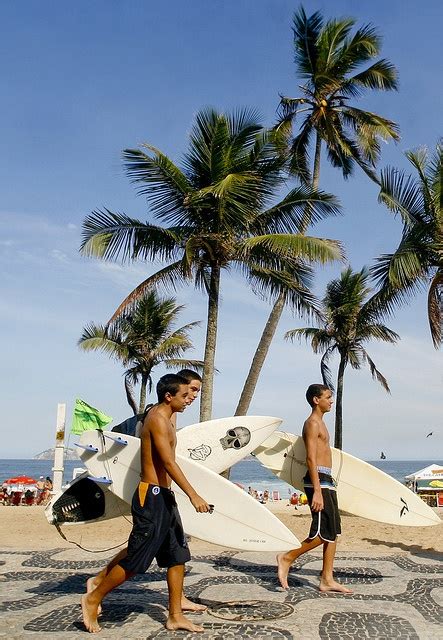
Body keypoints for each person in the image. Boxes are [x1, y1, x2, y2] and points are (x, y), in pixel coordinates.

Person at [81, 373, 210, 634]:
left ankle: (175, 616)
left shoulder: (168, 416)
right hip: (151, 496)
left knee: (177, 556)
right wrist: (193, 495)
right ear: (168, 396)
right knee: (137, 560)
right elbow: (169, 463)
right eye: (185, 395)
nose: (189, 400)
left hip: (164, 496)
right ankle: (93, 597)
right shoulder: (158, 420)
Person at [276, 384, 352, 594]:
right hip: (317, 480)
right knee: (321, 532)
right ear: (316, 400)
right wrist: (317, 490)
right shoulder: (312, 423)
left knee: (333, 532)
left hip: (327, 480)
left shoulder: (322, 424)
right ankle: (287, 557)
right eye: (328, 397)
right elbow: (310, 457)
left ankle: (327, 579)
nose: (331, 401)